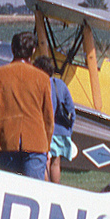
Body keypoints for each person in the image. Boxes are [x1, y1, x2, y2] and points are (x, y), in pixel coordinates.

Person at [0, 31, 53, 179]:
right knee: (34, 191)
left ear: (12, 48)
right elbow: (48, 118)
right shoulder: (43, 78)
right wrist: (47, 145)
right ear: (33, 51)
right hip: (36, 142)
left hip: (8, 141)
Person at [33, 55, 75, 184]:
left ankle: (46, 188)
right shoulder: (60, 84)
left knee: (45, 161)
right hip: (61, 130)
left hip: (46, 131)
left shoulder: (40, 85)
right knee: (56, 163)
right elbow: (71, 108)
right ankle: (56, 189)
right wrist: (70, 128)